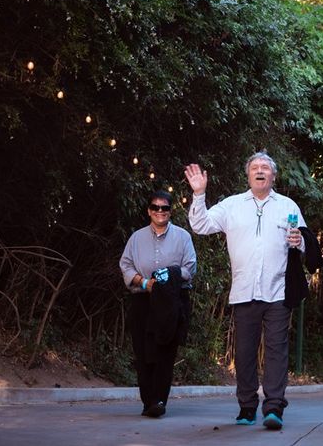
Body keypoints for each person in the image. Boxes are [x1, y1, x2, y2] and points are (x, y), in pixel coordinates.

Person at [184, 152, 308, 430]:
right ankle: (247, 407)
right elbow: (200, 225)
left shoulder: (288, 205)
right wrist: (199, 194)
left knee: (277, 351)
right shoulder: (232, 205)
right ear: (248, 175)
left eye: (265, 167)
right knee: (244, 353)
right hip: (243, 292)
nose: (260, 171)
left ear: (273, 176)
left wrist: (299, 241)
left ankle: (274, 408)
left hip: (278, 291)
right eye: (255, 167)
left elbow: (306, 244)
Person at [119, 190, 197, 418]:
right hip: (143, 299)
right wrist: (145, 283)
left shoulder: (183, 237)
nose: (160, 212)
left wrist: (167, 278)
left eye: (164, 208)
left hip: (172, 302)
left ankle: (159, 400)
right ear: (149, 211)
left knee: (165, 351)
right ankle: (148, 401)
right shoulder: (136, 238)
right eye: (155, 207)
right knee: (143, 352)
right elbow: (125, 265)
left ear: (171, 211)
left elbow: (190, 268)